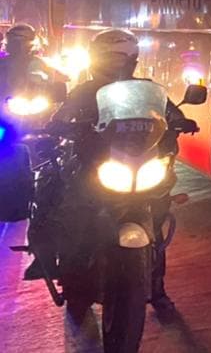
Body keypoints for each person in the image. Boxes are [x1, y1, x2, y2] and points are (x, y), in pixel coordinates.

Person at [29, 29, 193, 313]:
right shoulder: (84, 91)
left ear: (133, 60)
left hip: (138, 162)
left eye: (124, 58)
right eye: (113, 58)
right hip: (95, 163)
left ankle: (157, 288)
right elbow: (63, 116)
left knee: (156, 217)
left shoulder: (144, 89)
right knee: (66, 203)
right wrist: (58, 126)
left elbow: (167, 111)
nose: (119, 64)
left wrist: (180, 119)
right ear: (98, 59)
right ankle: (61, 267)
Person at [0, 24, 65, 95]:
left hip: (32, 98)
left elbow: (58, 77)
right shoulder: (2, 62)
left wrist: (58, 80)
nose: (18, 45)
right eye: (14, 41)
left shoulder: (39, 63)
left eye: (23, 41)